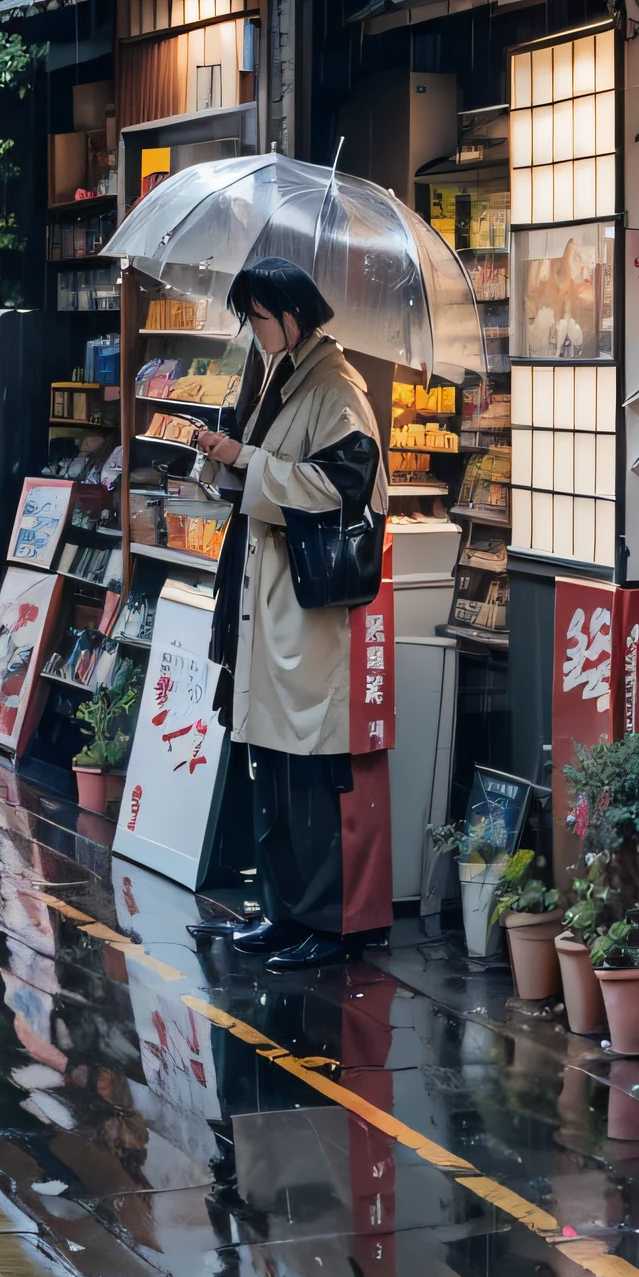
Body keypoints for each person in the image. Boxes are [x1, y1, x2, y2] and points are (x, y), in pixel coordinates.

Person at [200, 254, 386, 968]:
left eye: (257, 316)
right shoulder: (277, 372)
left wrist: (247, 459)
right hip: (265, 591)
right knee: (270, 760)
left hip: (301, 603)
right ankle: (282, 910)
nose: (250, 328)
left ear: (292, 315)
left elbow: (348, 485)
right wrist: (228, 452)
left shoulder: (335, 387)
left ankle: (321, 920)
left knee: (306, 763)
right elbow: (265, 471)